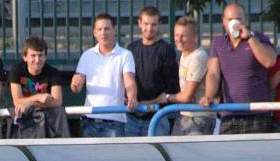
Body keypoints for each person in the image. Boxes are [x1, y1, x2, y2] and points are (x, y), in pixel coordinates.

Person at [200, 3, 277, 134]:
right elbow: (213, 73)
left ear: (245, 21)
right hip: (229, 114)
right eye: (230, 19)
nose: (234, 23)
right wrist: (209, 95)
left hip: (257, 115)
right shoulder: (218, 42)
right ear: (224, 21)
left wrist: (250, 38)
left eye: (239, 19)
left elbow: (269, 61)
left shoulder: (259, 38)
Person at [71, 13, 137, 137]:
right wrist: (75, 84)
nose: (103, 33)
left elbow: (129, 81)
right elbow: (77, 88)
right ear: (94, 33)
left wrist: (132, 96)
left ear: (114, 30)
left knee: (113, 157)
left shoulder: (125, 55)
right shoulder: (87, 56)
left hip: (114, 121)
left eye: (107, 28)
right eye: (99, 29)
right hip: (89, 121)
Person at [125, 6, 179, 136]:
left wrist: (149, 103)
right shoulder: (131, 49)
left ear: (159, 24)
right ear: (139, 23)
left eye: (154, 24)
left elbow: (172, 87)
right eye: (146, 24)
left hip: (157, 117)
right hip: (131, 118)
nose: (149, 28)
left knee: (155, 157)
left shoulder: (166, 50)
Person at [8, 36, 70, 138]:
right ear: (25, 57)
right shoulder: (16, 70)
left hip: (48, 125)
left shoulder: (53, 73)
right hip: (24, 126)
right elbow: (17, 102)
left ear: (45, 57)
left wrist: (29, 103)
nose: (37, 60)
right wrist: (38, 97)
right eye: (33, 55)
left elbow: (57, 101)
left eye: (40, 55)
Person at [167, 16, 215, 135]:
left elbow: (187, 96)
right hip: (185, 114)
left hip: (199, 116)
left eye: (183, 35)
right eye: (176, 35)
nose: (179, 39)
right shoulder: (184, 54)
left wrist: (166, 97)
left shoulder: (198, 57)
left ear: (194, 36)